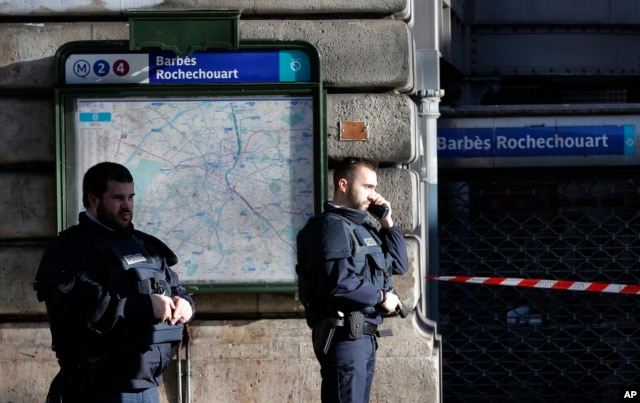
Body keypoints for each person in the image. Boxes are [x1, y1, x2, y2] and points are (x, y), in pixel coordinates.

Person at [34, 161, 195, 403]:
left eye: (130, 197)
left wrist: (184, 304)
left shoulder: (147, 246)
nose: (127, 206)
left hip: (147, 389)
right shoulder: (71, 249)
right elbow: (89, 309)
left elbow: (176, 289)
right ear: (94, 200)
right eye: (118, 198)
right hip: (96, 389)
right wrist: (145, 306)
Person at [296, 157, 409, 402]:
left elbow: (399, 264)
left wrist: (387, 222)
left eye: (374, 188)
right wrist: (381, 297)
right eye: (367, 187)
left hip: (364, 337)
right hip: (344, 336)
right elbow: (338, 284)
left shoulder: (364, 228)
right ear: (344, 185)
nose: (373, 195)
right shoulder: (330, 227)